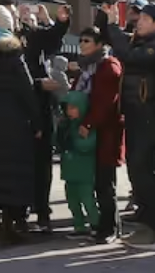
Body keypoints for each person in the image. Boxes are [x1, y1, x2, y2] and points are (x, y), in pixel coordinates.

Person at [99, 1, 155, 251]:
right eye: (139, 18)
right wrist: (107, 18)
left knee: (147, 172)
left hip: (151, 117)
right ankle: (145, 225)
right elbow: (111, 37)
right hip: (135, 114)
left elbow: (129, 56)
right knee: (137, 171)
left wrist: (113, 26)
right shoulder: (141, 42)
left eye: (144, 19)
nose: (138, 22)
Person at [0, 1, 39, 245]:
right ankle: (10, 225)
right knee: (14, 172)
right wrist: (37, 122)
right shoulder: (14, 58)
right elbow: (27, 90)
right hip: (16, 121)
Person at [18, 3, 71, 234]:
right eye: (21, 14)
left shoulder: (37, 39)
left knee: (41, 164)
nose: (25, 16)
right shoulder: (4, 41)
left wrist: (57, 21)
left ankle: (41, 212)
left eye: (28, 15)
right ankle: (20, 211)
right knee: (21, 165)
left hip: (41, 111)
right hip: (19, 113)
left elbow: (54, 37)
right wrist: (38, 84)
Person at [72, 25, 123, 244]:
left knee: (104, 182)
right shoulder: (86, 67)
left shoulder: (108, 66)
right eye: (81, 40)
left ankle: (110, 227)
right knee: (92, 181)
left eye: (87, 41)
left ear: (100, 44)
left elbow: (105, 102)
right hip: (88, 131)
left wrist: (89, 122)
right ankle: (101, 224)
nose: (82, 45)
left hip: (105, 132)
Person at [57, 91, 98, 238]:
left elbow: (87, 145)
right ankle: (79, 225)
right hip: (70, 171)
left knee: (88, 199)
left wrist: (73, 140)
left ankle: (96, 223)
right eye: (67, 108)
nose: (69, 112)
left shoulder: (87, 126)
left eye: (73, 108)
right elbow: (57, 143)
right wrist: (60, 133)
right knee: (72, 200)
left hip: (84, 171)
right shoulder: (67, 125)